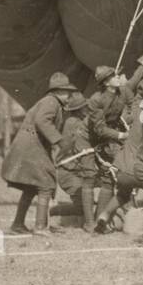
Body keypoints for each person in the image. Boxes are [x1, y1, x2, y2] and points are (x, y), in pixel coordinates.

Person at [2, 72, 75, 235]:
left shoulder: (50, 101)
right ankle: (40, 227)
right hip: (32, 146)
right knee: (45, 183)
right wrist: (58, 140)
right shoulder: (51, 102)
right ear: (56, 91)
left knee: (31, 186)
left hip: (29, 145)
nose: (69, 94)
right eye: (65, 91)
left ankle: (18, 224)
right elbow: (42, 121)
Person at [94, 72, 143, 236]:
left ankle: (104, 216)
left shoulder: (135, 108)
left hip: (123, 166)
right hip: (138, 166)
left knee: (123, 194)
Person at [86, 59, 143, 232]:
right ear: (106, 82)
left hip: (118, 135)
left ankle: (103, 218)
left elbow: (133, 86)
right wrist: (122, 134)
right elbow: (99, 129)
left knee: (117, 182)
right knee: (114, 179)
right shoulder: (96, 100)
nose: (118, 77)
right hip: (98, 139)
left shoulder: (123, 91)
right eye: (114, 76)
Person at [55, 92, 98, 232]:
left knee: (89, 201)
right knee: (83, 207)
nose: (87, 110)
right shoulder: (75, 124)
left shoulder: (74, 122)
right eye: (85, 108)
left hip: (75, 171)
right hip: (68, 172)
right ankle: (54, 211)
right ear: (79, 110)